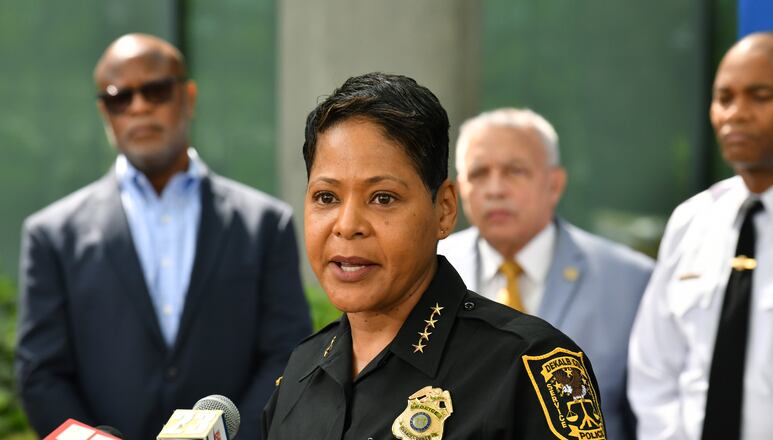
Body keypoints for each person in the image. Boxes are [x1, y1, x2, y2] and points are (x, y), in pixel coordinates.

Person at [262, 72, 608, 439]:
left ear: (443, 209)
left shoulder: (526, 369)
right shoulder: (302, 371)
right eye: (326, 197)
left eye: (383, 198)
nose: (347, 226)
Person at [15, 33, 311, 440]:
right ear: (106, 112)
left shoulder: (265, 224)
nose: (139, 107)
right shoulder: (51, 235)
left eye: (155, 90)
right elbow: (41, 375)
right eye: (120, 97)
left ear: (187, 97)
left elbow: (287, 355)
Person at [438, 108, 653, 439]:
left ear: (554, 184)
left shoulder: (629, 281)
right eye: (479, 173)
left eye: (515, 171)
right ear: (458, 190)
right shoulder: (430, 270)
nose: (495, 189)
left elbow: (650, 413)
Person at [628, 32, 773, 439]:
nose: (736, 113)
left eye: (761, 95)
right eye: (724, 98)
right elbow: (654, 369)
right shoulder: (693, 221)